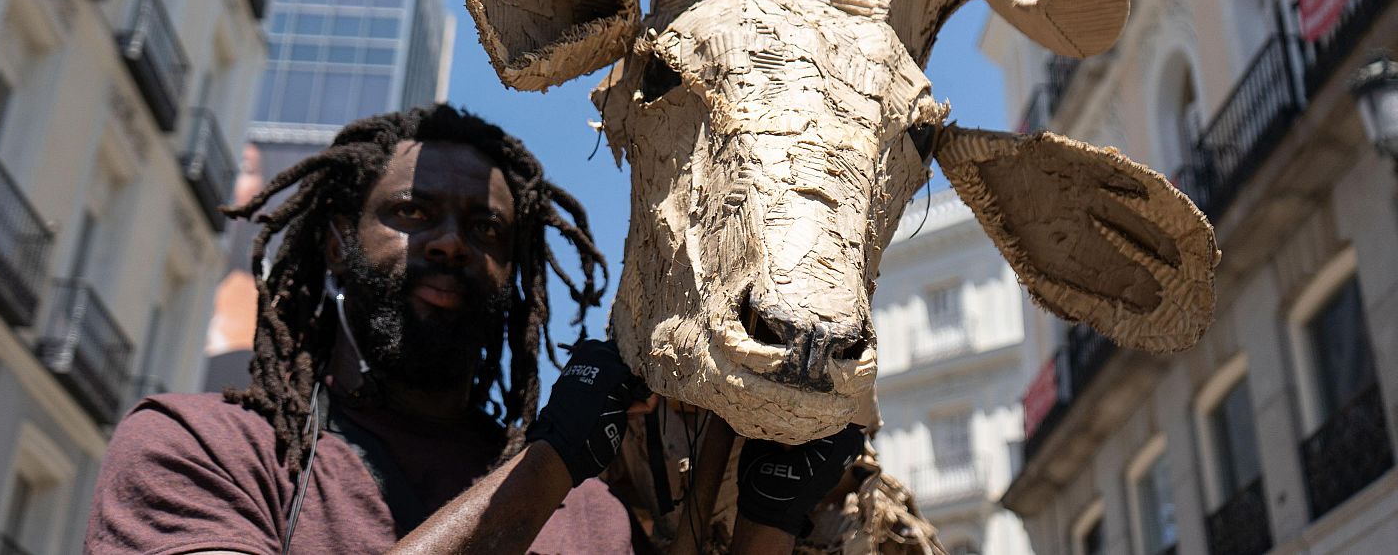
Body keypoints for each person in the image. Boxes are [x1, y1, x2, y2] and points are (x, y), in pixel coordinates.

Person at [86, 105, 858, 554]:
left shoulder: (590, 520)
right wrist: (552, 457)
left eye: (486, 230)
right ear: (335, 244)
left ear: (516, 275)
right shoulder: (201, 450)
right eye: (412, 214)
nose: (451, 243)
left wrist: (769, 519)